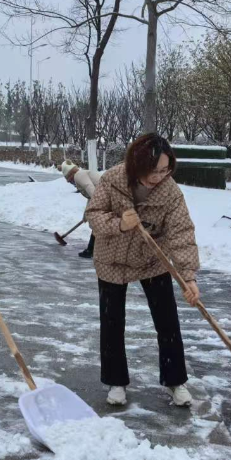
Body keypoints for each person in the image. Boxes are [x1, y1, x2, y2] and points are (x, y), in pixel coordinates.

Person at [85, 134, 200, 408]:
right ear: (137, 164)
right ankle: (116, 381)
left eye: (164, 169)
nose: (159, 176)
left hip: (152, 259)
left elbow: (182, 232)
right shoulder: (113, 179)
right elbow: (93, 214)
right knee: (112, 322)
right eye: (153, 170)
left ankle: (175, 381)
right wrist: (119, 224)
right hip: (112, 260)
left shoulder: (170, 191)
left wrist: (189, 277)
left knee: (167, 321)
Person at [61, 159, 101, 258]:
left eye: (69, 180)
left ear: (70, 176)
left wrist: (97, 205)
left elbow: (92, 190)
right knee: (97, 224)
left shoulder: (78, 175)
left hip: (105, 197)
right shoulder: (80, 176)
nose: (70, 183)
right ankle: (92, 250)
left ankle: (91, 250)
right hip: (104, 197)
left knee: (96, 223)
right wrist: (85, 215)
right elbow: (90, 197)